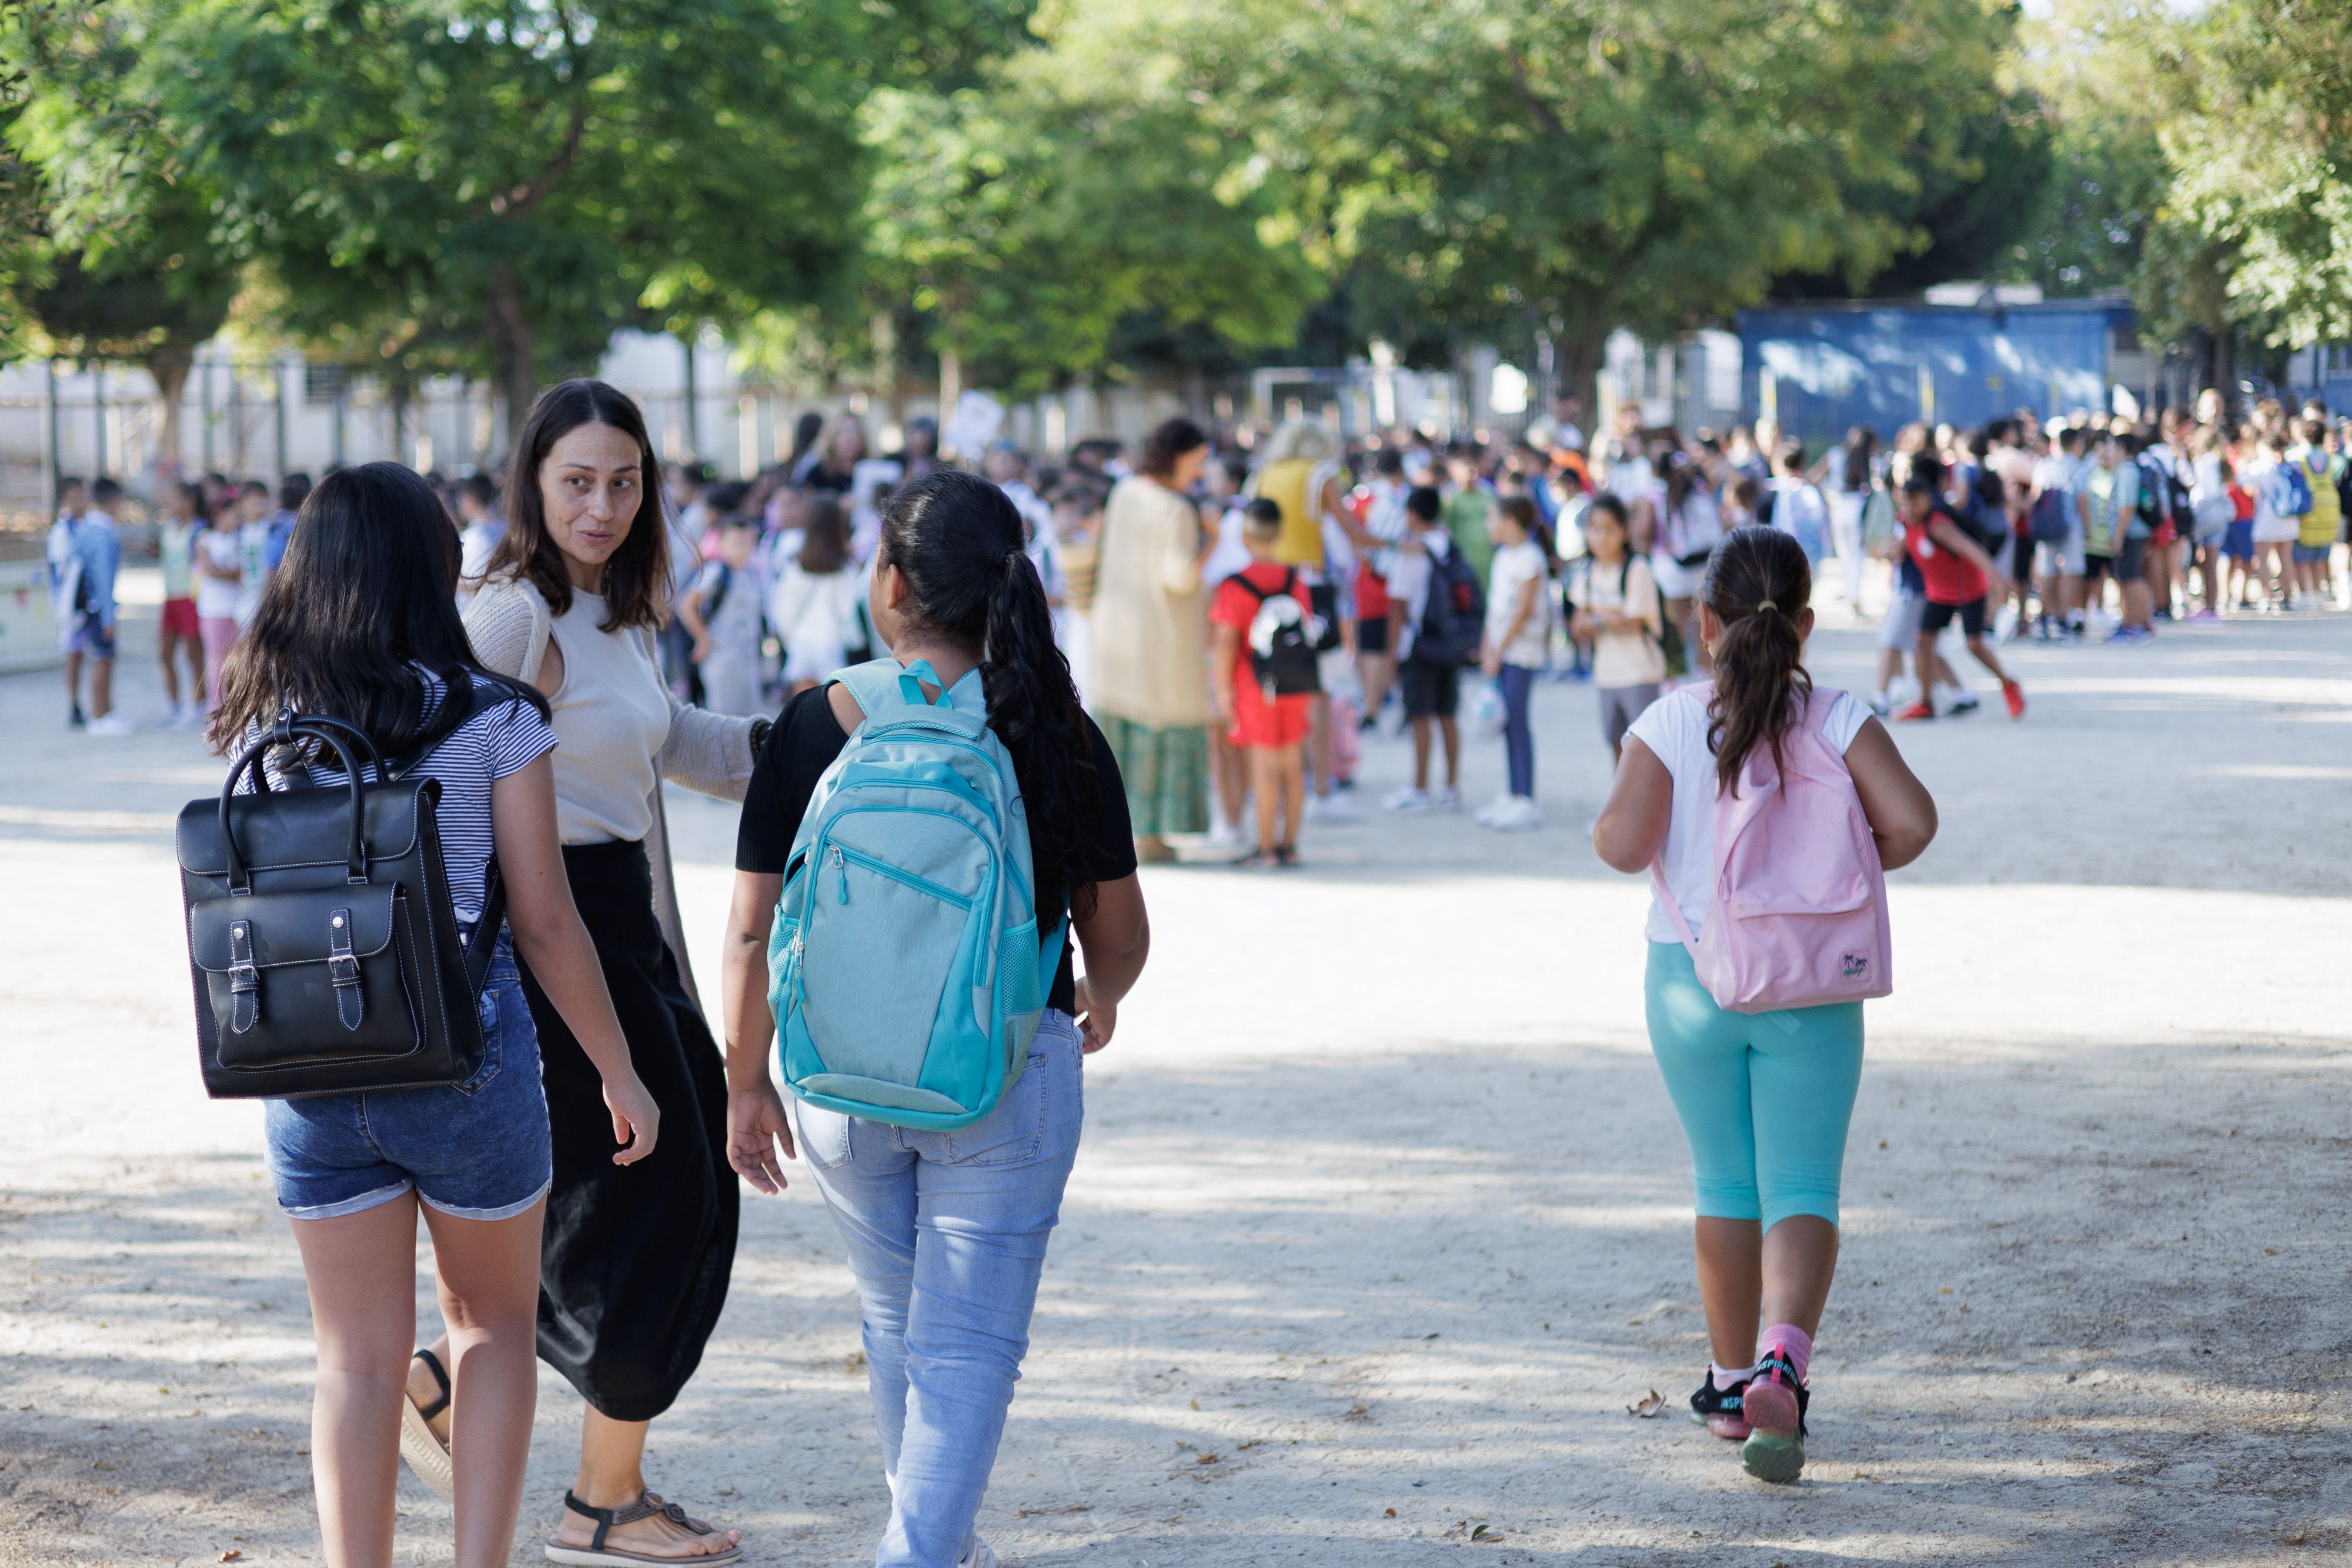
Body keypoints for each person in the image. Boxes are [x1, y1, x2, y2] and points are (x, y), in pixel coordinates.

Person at [206, 461, 659, 1568]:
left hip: (311, 1058)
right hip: (465, 1051)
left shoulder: (268, 718)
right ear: (435, 570)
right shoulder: (497, 717)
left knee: (356, 1361)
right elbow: (547, 923)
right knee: (492, 1328)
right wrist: (619, 1068)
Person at [721, 469, 1151, 1568]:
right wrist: (1100, 997)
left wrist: (743, 1079)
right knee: (965, 1347)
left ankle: (937, 1545)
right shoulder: (1057, 730)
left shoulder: (820, 722)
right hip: (1004, 1066)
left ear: (893, 581)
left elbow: (752, 930)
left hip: (836, 1076)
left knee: (895, 1321)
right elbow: (1119, 939)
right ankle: (922, 1552)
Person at [444, 380, 763, 1565]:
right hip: (551, 938)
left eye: (623, 481)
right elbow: (462, 795)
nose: (602, 504)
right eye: (577, 480)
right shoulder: (510, 616)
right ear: (531, 479)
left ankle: (541, 1443)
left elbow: (671, 739)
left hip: (626, 927)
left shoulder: (620, 607)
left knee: (645, 1202)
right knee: (648, 1198)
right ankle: (597, 1497)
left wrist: (807, 738)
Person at [1591, 526, 1937, 1485]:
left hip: (1690, 982)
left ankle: (1728, 1378)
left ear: (1703, 624)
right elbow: (1911, 822)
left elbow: (1622, 846)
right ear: (1809, 624)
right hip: (1813, 983)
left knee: (1723, 1183)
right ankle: (1786, 1359)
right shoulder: (1839, 717)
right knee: (1802, 1186)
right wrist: (1844, 867)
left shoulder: (1669, 720)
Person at [1091, 417, 1215, 862]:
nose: (1201, 470)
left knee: (1121, 739)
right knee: (1162, 731)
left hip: (1117, 638)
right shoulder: (1175, 508)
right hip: (1162, 645)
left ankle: (1131, 831)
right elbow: (1180, 578)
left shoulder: (1124, 491)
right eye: (1199, 460)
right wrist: (1213, 541)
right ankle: (1154, 834)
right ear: (1180, 457)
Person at [1211, 497, 1316, 866]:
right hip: (1297, 682)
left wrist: (1223, 689)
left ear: (1244, 535)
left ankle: (1267, 847)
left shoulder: (1236, 585)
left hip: (1257, 687)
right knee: (1292, 764)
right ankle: (1290, 845)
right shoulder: (1295, 578)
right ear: (1281, 533)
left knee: (1265, 768)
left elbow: (1226, 641)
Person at [1894, 477, 2026, 721]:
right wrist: (1891, 550)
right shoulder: (1908, 523)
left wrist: (1997, 578)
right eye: (1904, 503)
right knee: (1923, 642)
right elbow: (1906, 545)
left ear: (1926, 502)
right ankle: (1926, 703)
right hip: (1939, 593)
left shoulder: (1938, 526)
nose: (1909, 509)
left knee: (1974, 644)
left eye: (1914, 503)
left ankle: (2009, 684)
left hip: (1969, 589)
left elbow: (1970, 549)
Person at [1384, 486, 1465, 811]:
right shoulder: (1449, 546)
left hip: (1418, 642)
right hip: (1450, 638)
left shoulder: (1411, 552)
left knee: (1419, 715)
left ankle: (1420, 786)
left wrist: (1391, 655)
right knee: (1447, 714)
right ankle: (1451, 785)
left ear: (1413, 514)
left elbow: (1398, 605)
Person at [1570, 494, 1665, 763]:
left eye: (1609, 530)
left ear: (1624, 532)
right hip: (1607, 675)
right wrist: (1610, 618)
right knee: (1616, 746)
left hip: (1639, 672)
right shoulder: (1587, 573)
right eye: (1595, 529)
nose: (1601, 537)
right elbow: (1578, 625)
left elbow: (1633, 622)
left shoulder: (1637, 569)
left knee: (1644, 749)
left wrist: (1598, 619)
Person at [1478, 494, 1549, 830]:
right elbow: (1496, 611)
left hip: (1520, 653)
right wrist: (1488, 648)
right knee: (1507, 721)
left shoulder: (1530, 558)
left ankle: (1526, 796)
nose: (1488, 525)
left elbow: (1523, 611)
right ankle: (1513, 792)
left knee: (1518, 720)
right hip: (1502, 651)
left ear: (1510, 522)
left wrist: (1498, 650)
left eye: (1493, 518)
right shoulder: (1504, 556)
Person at [770, 496, 864, 698]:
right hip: (833, 648)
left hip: (801, 645)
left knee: (803, 711)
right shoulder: (847, 571)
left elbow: (783, 613)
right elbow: (849, 617)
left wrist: (789, 640)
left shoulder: (795, 569)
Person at [677, 517, 768, 717]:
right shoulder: (716, 571)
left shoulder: (751, 573)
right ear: (722, 544)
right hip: (722, 655)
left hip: (748, 657)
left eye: (747, 543)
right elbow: (686, 605)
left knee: (748, 718)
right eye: (736, 543)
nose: (743, 549)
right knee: (723, 719)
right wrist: (703, 639)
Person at [156, 480, 210, 729]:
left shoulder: (200, 530)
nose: (168, 504)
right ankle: (173, 703)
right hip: (171, 596)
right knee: (165, 652)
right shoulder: (169, 529)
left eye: (173, 499)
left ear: (188, 502)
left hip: (191, 597)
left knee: (193, 653)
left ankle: (198, 703)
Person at [1820, 427, 1876, 610]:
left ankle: (1849, 591)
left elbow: (1816, 476)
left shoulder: (1835, 454)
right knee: (1856, 553)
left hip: (1838, 505)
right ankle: (1854, 595)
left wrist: (1827, 494)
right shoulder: (1866, 460)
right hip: (1856, 505)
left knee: (1845, 553)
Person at [456, 473, 506, 600]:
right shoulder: (506, 529)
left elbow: (470, 580)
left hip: (475, 609)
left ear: (470, 498)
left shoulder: (471, 537)